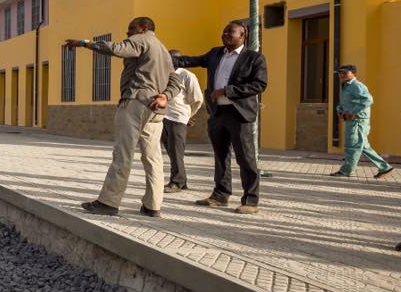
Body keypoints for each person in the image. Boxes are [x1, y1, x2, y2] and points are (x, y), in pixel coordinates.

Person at [63, 17, 182, 218]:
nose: (128, 32)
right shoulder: (163, 49)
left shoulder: (142, 40)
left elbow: (117, 49)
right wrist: (165, 96)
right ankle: (153, 205)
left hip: (135, 102)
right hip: (155, 108)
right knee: (153, 158)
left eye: (131, 28)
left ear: (144, 27)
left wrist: (85, 43)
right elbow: (175, 82)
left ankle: (108, 202)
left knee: (123, 154)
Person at [174, 21, 268, 214]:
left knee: (246, 158)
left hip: (239, 114)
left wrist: (227, 91)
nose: (225, 34)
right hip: (218, 113)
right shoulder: (215, 53)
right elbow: (191, 60)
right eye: (224, 31)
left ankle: (250, 200)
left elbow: (259, 85)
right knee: (220, 156)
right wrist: (165, 58)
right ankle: (220, 195)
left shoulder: (253, 58)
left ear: (242, 36)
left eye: (230, 32)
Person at [330, 65, 393, 179]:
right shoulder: (346, 86)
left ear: (353, 73)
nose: (341, 74)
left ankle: (347, 171)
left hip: (357, 121)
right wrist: (340, 109)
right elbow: (348, 102)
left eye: (344, 72)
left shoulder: (356, 85)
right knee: (362, 146)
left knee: (352, 146)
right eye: (339, 72)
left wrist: (352, 112)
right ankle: (385, 167)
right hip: (353, 120)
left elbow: (368, 99)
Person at [162, 50, 204, 193]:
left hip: (178, 118)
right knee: (171, 152)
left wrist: (188, 116)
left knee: (176, 151)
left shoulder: (186, 75)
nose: (170, 61)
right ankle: (182, 180)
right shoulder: (162, 73)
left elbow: (197, 99)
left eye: (173, 59)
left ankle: (177, 182)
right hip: (163, 117)